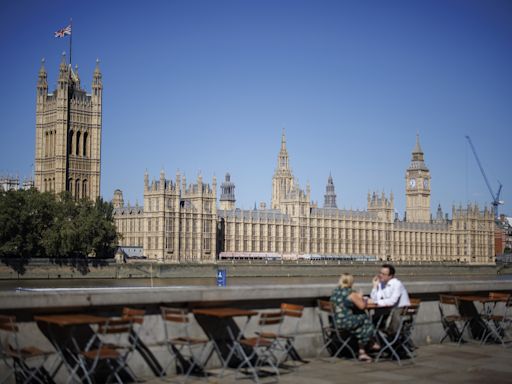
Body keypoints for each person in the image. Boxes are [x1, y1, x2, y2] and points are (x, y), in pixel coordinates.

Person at [330, 273, 379, 362]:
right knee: (365, 318)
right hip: (347, 323)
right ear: (351, 282)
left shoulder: (336, 292)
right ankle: (369, 343)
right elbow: (362, 306)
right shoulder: (351, 293)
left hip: (337, 322)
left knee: (361, 326)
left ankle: (363, 351)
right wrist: (360, 297)